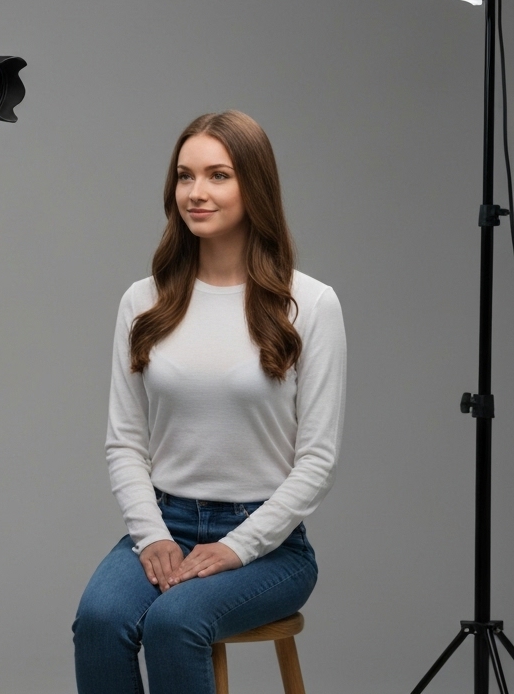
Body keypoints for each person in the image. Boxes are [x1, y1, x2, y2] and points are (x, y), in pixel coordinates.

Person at [72, 110, 346, 694]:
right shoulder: (144, 301)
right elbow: (124, 440)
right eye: (184, 176)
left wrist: (234, 547)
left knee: (175, 622)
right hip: (164, 523)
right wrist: (153, 537)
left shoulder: (311, 304)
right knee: (99, 619)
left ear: (255, 185)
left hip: (268, 543)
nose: (196, 193)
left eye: (218, 175)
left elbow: (316, 461)